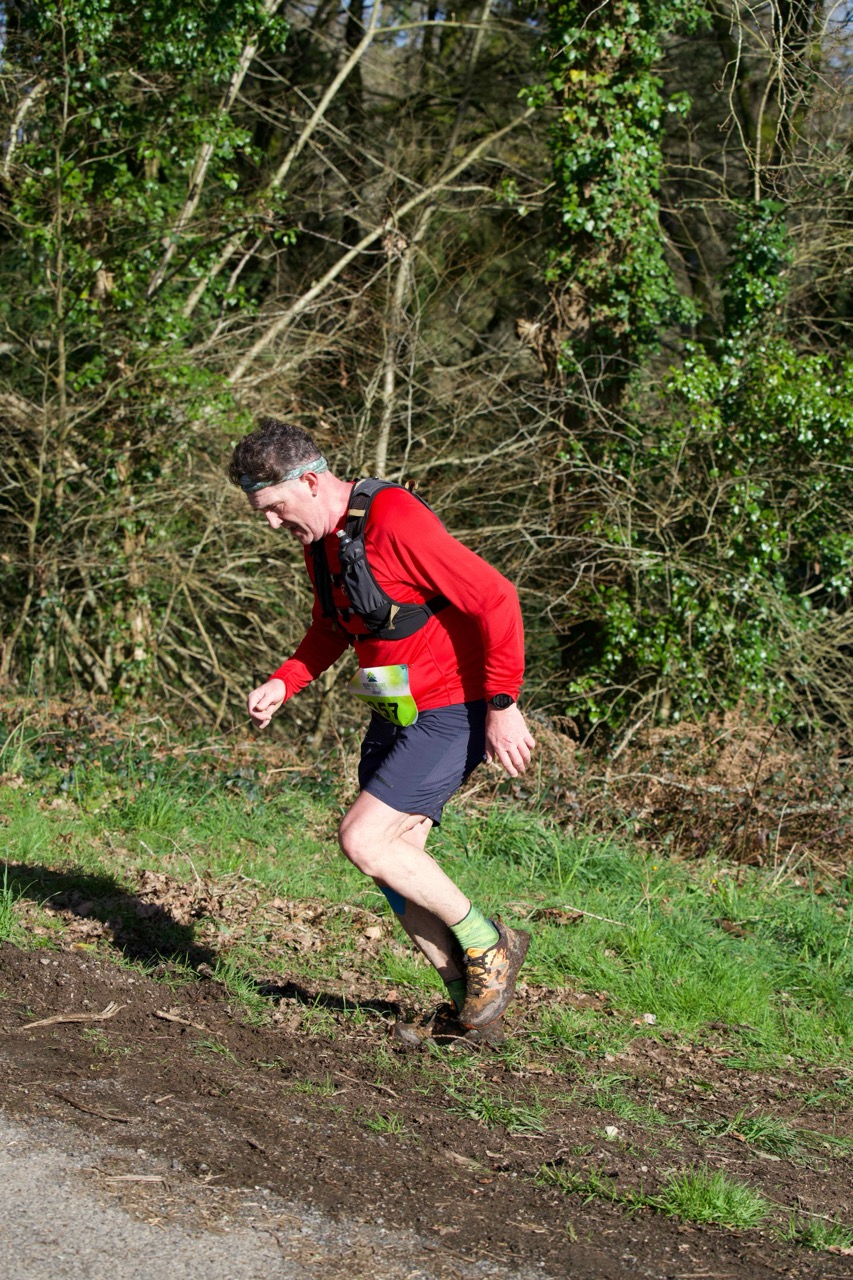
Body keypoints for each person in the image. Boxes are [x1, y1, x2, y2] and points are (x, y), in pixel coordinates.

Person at [230, 418, 535, 1045]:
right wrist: (285, 682)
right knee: (394, 863)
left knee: (363, 839)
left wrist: (504, 703)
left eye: (276, 508)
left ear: (310, 482)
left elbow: (496, 597)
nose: (273, 524)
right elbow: (331, 627)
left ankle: (489, 945)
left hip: (453, 706)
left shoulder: (394, 518)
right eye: (263, 514)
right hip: (394, 711)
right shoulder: (322, 542)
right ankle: (469, 1006)